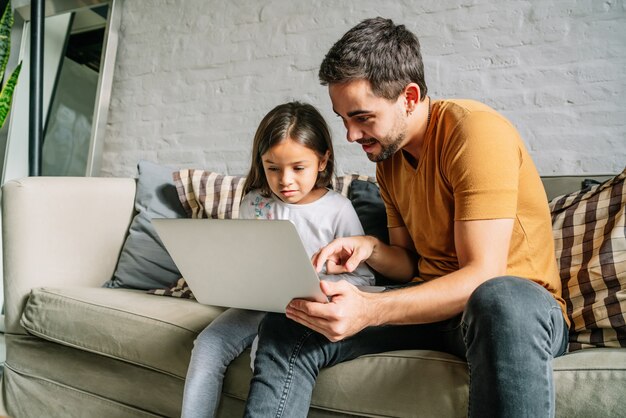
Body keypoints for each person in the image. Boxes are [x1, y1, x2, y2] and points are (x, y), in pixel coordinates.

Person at [243, 17, 569, 418]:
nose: (350, 135)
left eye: (362, 117)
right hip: (433, 311)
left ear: (409, 97)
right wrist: (370, 248)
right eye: (343, 118)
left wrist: (370, 309)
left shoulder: (474, 133)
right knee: (290, 323)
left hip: (516, 315)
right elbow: (407, 266)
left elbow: (483, 274)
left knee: (499, 296)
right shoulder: (388, 161)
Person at [181, 101, 375, 418]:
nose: (285, 180)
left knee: (267, 351)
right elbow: (243, 261)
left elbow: (364, 279)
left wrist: (321, 281)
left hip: (301, 312)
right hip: (257, 304)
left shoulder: (337, 209)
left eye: (298, 168)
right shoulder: (254, 203)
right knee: (207, 345)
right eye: (273, 168)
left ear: (323, 160)